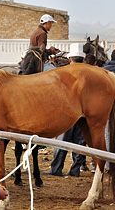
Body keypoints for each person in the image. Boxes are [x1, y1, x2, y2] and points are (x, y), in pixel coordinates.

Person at [44, 43, 87, 177]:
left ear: (69, 59)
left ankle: (56, 169)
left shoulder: (64, 73)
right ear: (83, 60)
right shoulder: (88, 73)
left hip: (67, 112)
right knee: (79, 142)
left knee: (61, 141)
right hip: (83, 111)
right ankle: (75, 170)